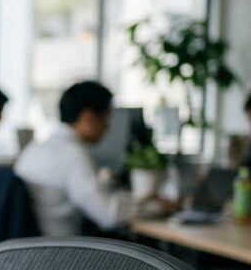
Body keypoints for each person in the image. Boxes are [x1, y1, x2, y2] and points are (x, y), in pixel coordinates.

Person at [15, 81, 164, 236]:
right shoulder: (72, 154)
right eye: (106, 119)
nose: (108, 128)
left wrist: (138, 201)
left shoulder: (33, 149)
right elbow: (107, 215)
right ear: (88, 117)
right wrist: (159, 207)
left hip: (31, 246)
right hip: (61, 247)